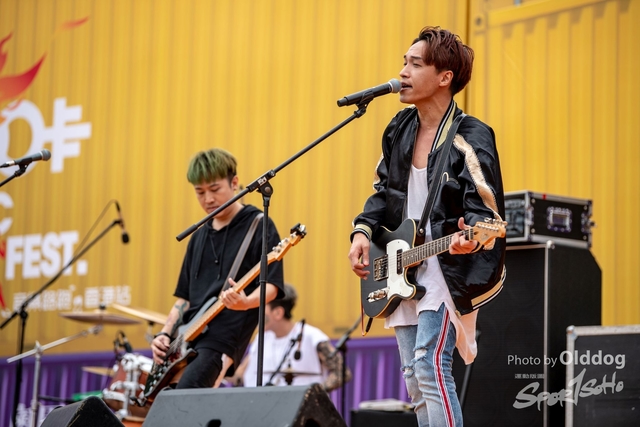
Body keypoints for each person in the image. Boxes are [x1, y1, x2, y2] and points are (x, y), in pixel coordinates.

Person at [347, 26, 506, 426]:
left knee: (429, 367)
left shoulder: (471, 135)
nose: (403, 72)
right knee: (413, 381)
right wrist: (362, 231)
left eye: (415, 64)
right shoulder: (399, 129)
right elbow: (382, 191)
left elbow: (486, 212)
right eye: (404, 62)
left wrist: (472, 238)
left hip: (445, 267)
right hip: (402, 264)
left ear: (444, 77)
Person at [151, 148, 285, 389]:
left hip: (222, 339)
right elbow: (184, 298)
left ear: (234, 183)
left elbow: (272, 286)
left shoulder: (258, 224)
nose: (208, 199)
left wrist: (245, 303)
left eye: (214, 189)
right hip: (186, 339)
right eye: (200, 192)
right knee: (164, 403)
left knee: (185, 399)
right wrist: (164, 334)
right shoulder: (198, 236)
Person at [239, 284, 351, 392]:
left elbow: (342, 372)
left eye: (259, 307)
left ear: (278, 313)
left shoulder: (312, 336)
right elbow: (239, 374)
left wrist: (313, 395)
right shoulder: (261, 338)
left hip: (303, 404)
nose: (255, 313)